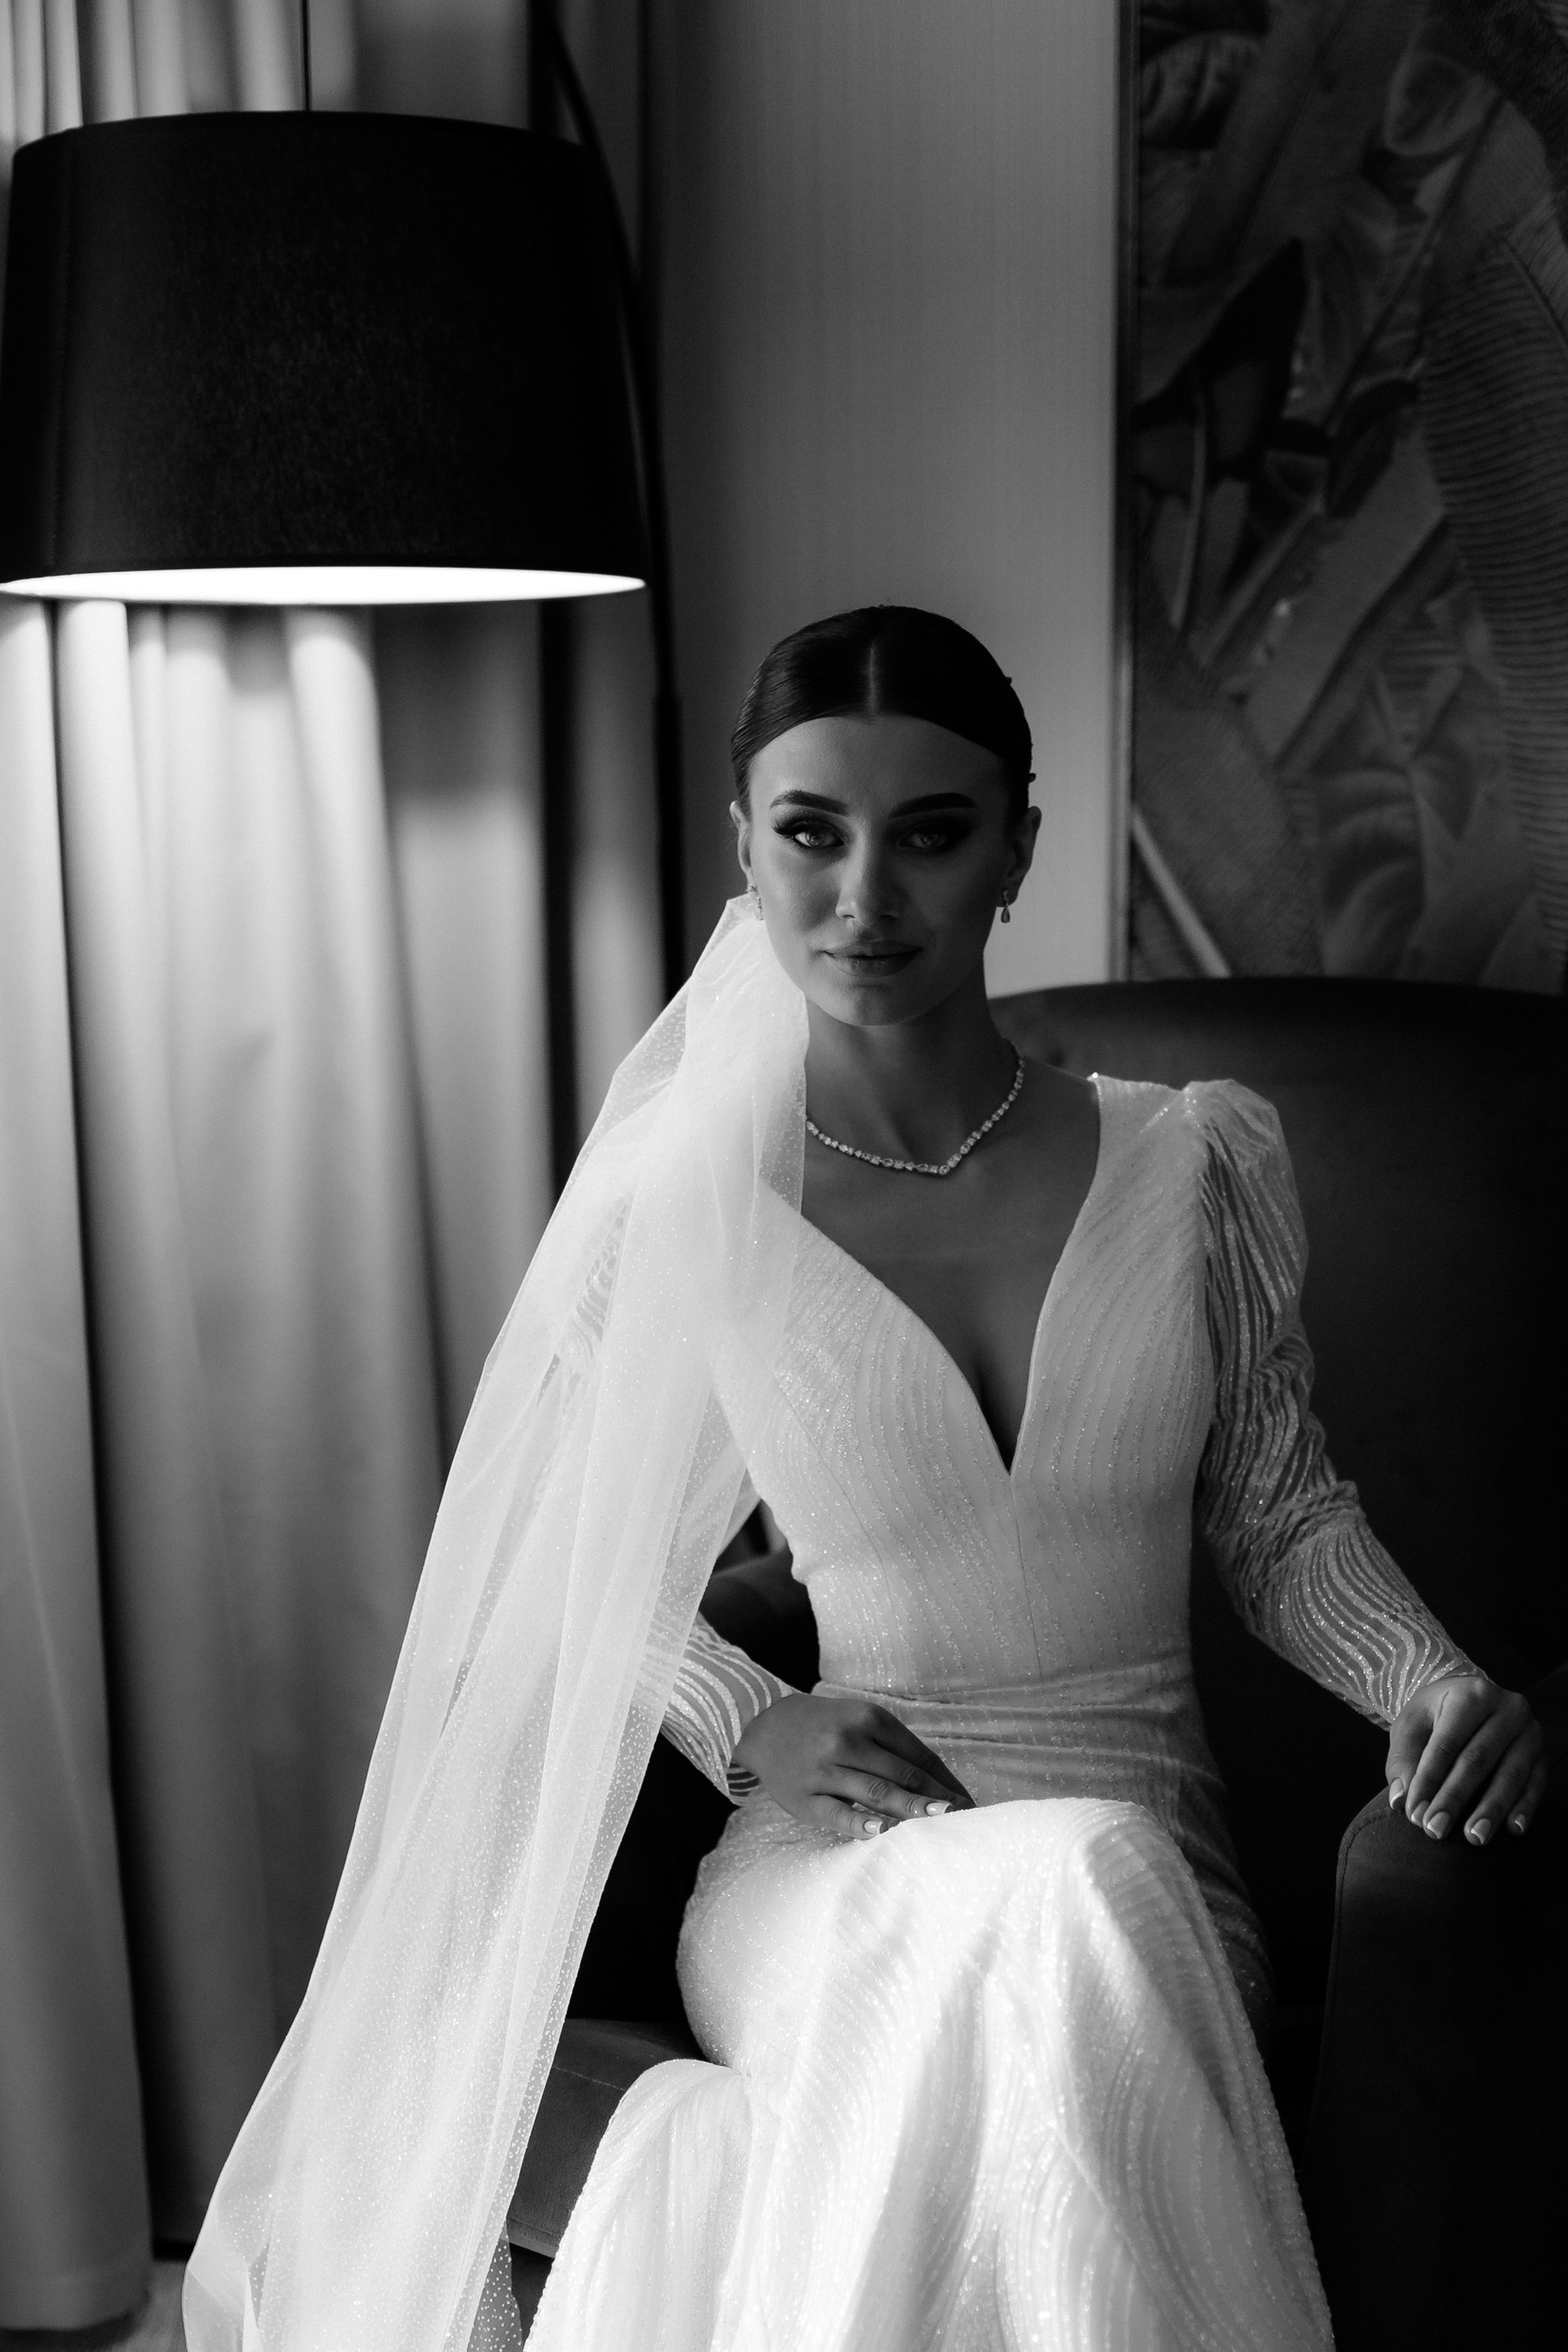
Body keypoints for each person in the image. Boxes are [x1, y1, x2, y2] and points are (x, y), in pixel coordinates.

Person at [185, 609, 1544, 2352]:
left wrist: (1428, 1675)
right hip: (825, 1874)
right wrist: (751, 1720)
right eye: (812, 833)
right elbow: (538, 1570)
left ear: (1017, 851)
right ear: (744, 847)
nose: (864, 898)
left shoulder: (1191, 1158)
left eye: (932, 834)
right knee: (1063, 1903)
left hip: (1155, 1876)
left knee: (1089, 1878)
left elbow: (1280, 1515)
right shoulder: (687, 1198)